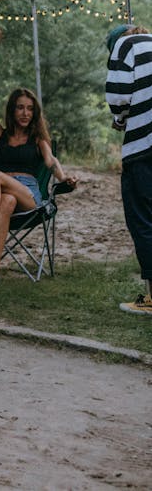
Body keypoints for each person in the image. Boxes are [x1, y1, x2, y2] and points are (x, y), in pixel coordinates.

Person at [0, 27, 77, 288]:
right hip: (3, 199)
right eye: (20, 107)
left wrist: (64, 179)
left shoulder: (38, 140)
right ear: (12, 110)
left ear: (34, 113)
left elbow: (51, 162)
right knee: (6, 202)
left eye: (30, 109)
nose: (25, 113)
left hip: (30, 197)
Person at [105, 23, 152, 316]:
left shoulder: (124, 47)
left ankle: (151, 300)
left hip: (144, 149)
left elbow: (118, 96)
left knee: (144, 223)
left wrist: (120, 119)